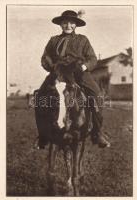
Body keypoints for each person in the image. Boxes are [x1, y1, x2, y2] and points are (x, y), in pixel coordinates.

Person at [35, 10, 110, 149]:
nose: (68, 25)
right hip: (57, 72)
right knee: (40, 97)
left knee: (96, 95)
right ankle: (43, 136)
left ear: (75, 25)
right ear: (61, 24)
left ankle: (97, 132)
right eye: (65, 22)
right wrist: (51, 67)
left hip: (78, 73)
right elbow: (45, 57)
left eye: (71, 22)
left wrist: (83, 67)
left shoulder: (83, 40)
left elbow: (92, 58)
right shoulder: (53, 40)